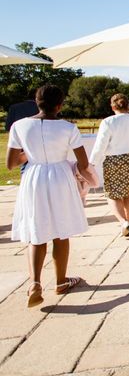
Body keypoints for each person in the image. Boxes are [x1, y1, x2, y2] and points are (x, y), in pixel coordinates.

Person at [6, 85, 91, 307]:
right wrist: (89, 179)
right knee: (60, 231)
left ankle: (35, 282)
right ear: (60, 105)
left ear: (36, 101)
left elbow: (11, 163)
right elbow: (83, 164)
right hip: (60, 178)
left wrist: (31, 153)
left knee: (37, 229)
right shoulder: (68, 128)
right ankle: (61, 281)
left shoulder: (19, 126)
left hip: (33, 177)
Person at [90, 93, 129, 237]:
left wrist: (92, 163)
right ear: (128, 105)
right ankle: (128, 222)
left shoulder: (108, 122)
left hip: (114, 160)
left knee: (113, 194)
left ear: (112, 106)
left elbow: (100, 145)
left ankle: (123, 222)